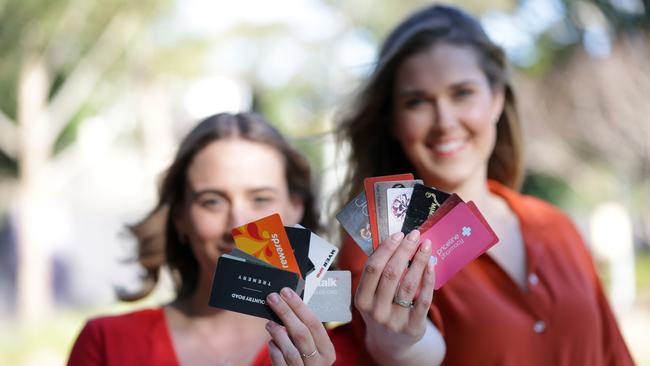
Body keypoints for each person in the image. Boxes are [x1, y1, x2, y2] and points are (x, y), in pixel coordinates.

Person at [336, 5, 635, 365]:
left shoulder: (557, 226)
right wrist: (398, 343)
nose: (445, 121)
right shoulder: (375, 245)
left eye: (462, 93)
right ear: (394, 123)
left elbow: (614, 352)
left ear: (496, 100)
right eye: (417, 102)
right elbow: (417, 352)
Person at [68, 112, 338, 366]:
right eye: (212, 201)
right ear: (180, 217)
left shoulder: (343, 349)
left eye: (260, 199)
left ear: (296, 208)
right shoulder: (106, 342)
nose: (238, 224)